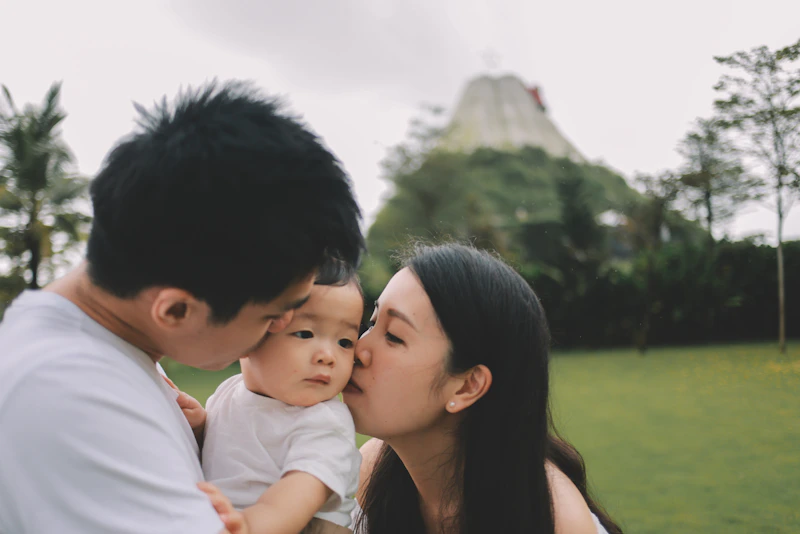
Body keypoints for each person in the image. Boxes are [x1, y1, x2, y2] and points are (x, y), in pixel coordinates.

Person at [0, 81, 364, 534]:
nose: (284, 326)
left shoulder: (103, 353)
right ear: (175, 311)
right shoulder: (74, 396)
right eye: (273, 315)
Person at [342, 243, 622, 534]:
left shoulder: (555, 522)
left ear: (467, 386)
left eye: (394, 337)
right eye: (372, 323)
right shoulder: (375, 468)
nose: (358, 349)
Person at [199, 262, 363, 533]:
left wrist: (248, 526)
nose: (328, 355)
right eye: (305, 334)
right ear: (249, 333)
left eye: (345, 342)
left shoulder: (324, 422)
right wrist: (199, 427)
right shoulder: (228, 392)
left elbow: (296, 498)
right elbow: (223, 450)